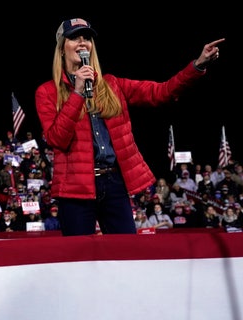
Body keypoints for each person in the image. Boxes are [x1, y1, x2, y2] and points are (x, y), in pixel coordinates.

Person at [34, 17, 224, 236]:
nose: (83, 42)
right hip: (75, 189)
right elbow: (57, 139)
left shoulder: (112, 85)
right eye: (75, 38)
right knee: (79, 259)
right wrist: (77, 93)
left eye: (87, 38)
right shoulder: (47, 92)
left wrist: (197, 65)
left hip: (114, 183)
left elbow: (161, 92)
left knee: (126, 253)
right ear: (61, 48)